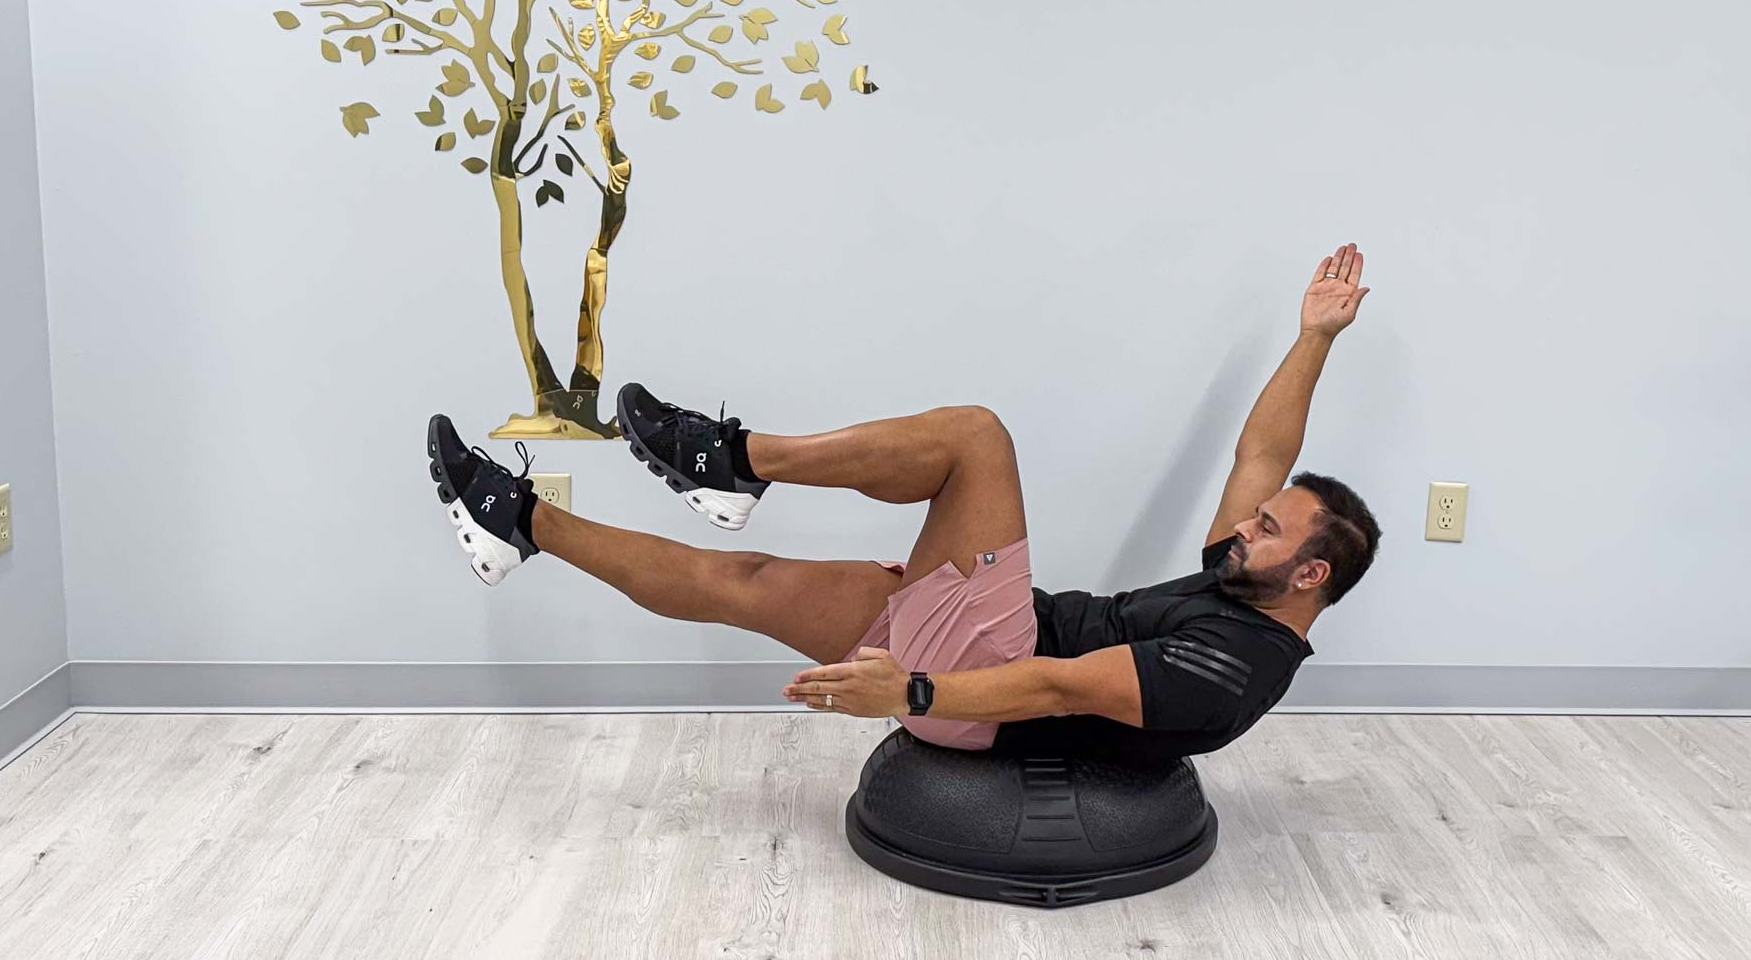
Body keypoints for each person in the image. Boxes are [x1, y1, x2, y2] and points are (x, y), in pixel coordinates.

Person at [426, 244, 1381, 762]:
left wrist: (911, 691)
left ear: (1311, 573)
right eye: (1257, 515)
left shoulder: (1234, 664)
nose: (1243, 524)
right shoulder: (1247, 580)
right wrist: (1315, 337)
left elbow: (1056, 688)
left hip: (990, 684)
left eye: (1266, 528)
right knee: (741, 578)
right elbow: (1265, 447)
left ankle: (738, 459)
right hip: (987, 651)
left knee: (975, 438)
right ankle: (522, 523)